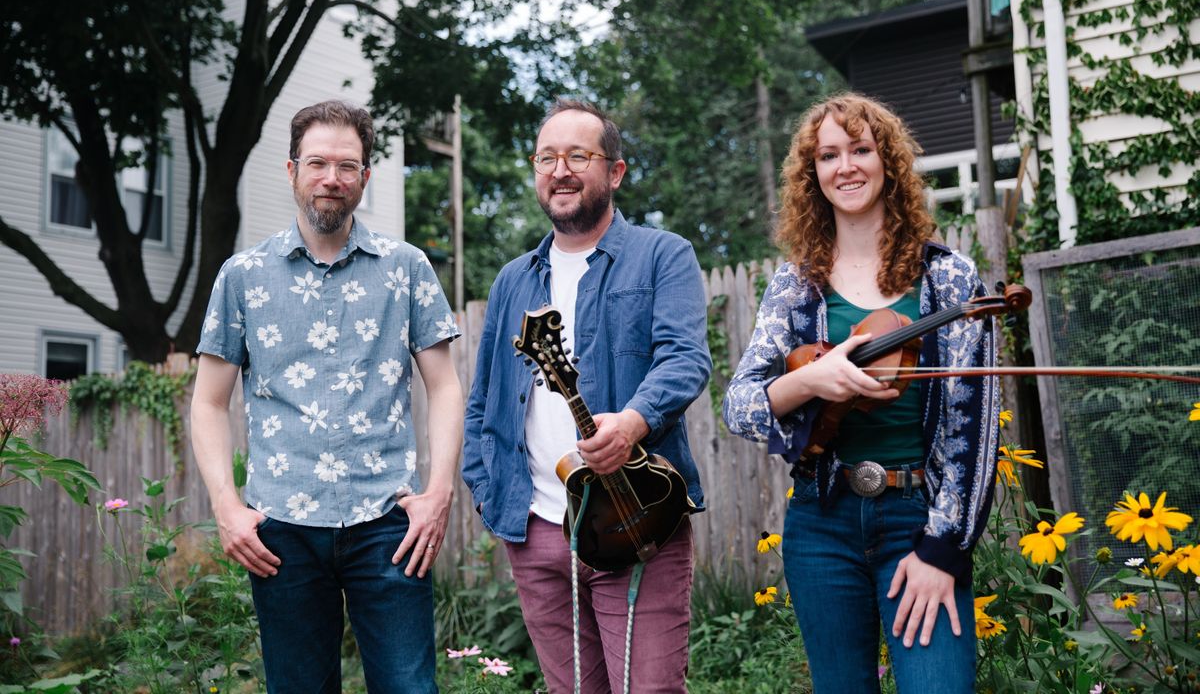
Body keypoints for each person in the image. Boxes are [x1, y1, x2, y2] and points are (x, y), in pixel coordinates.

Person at [723, 93, 1000, 693]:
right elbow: (739, 407)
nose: (844, 166)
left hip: (918, 518)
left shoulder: (948, 277)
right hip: (822, 523)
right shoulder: (797, 287)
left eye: (860, 150)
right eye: (828, 155)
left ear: (887, 162)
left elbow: (976, 433)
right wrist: (809, 381)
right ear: (813, 174)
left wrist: (942, 549)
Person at [190, 100, 463, 694]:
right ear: (291, 171)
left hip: (389, 525)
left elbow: (444, 387)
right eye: (317, 163)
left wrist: (439, 491)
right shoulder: (242, 276)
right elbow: (208, 402)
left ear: (365, 177)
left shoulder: (407, 268)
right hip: (281, 529)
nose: (331, 178)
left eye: (347, 166)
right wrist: (227, 508)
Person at [462, 99, 710, 693]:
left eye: (578, 155)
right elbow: (485, 399)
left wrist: (631, 423)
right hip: (538, 529)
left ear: (615, 171)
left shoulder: (662, 255)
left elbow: (686, 358)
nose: (560, 170)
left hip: (635, 518)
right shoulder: (512, 280)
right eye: (547, 157)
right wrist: (488, 492)